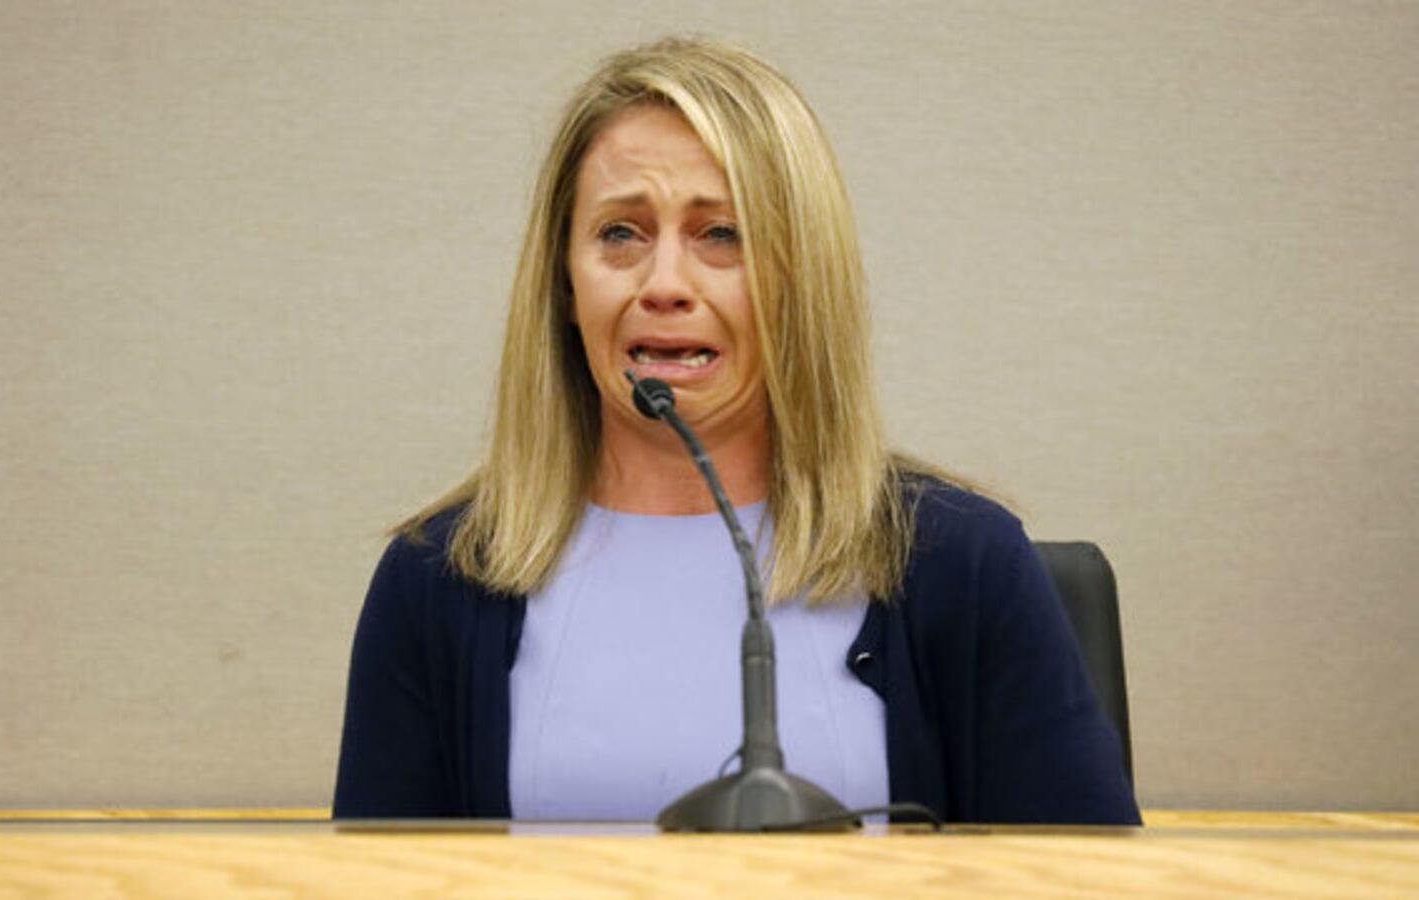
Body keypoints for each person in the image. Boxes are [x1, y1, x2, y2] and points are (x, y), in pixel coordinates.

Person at [333, 37, 1140, 825]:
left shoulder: (963, 567)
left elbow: (1092, 883)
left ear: (801, 276)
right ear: (563, 285)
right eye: (622, 233)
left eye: (721, 234)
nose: (665, 284)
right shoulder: (437, 581)